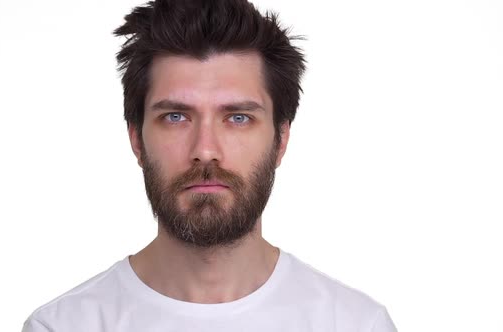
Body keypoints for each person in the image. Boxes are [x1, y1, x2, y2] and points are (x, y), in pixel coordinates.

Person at [22, 0, 397, 331]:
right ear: (136, 139)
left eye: (237, 118)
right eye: (175, 117)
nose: (205, 150)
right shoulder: (62, 326)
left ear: (281, 140)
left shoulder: (355, 324)